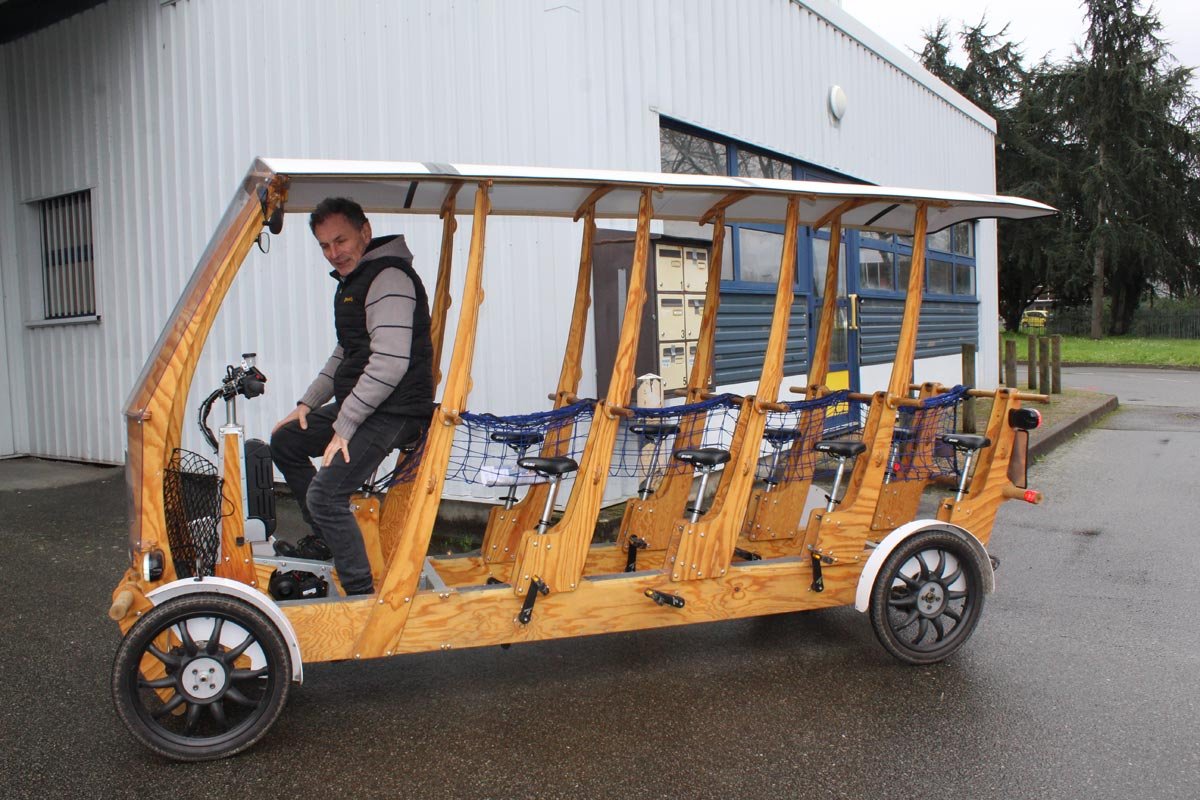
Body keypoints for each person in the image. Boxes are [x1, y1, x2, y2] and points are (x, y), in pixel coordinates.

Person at [270, 197, 433, 596]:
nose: (333, 253)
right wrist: (306, 404)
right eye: (324, 246)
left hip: (395, 410)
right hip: (367, 406)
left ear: (365, 232)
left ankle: (360, 597)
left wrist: (344, 424)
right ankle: (331, 539)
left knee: (325, 496)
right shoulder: (354, 281)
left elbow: (390, 363)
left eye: (340, 241)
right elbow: (346, 351)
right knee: (286, 441)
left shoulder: (389, 278)